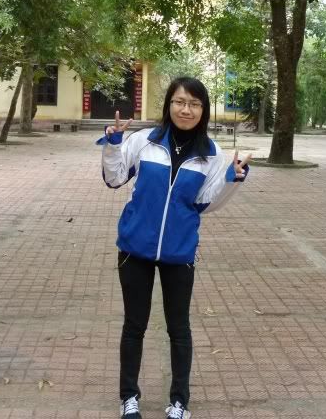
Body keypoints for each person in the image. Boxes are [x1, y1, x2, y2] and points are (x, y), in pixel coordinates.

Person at [98, 76, 251, 419]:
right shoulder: (144, 141)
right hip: (135, 247)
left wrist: (232, 180)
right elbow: (114, 178)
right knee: (134, 326)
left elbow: (206, 203)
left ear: (203, 110)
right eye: (180, 102)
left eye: (194, 104)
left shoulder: (212, 155)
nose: (186, 109)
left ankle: (179, 401)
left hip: (179, 252)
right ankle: (129, 397)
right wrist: (113, 144)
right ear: (169, 105)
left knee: (178, 329)